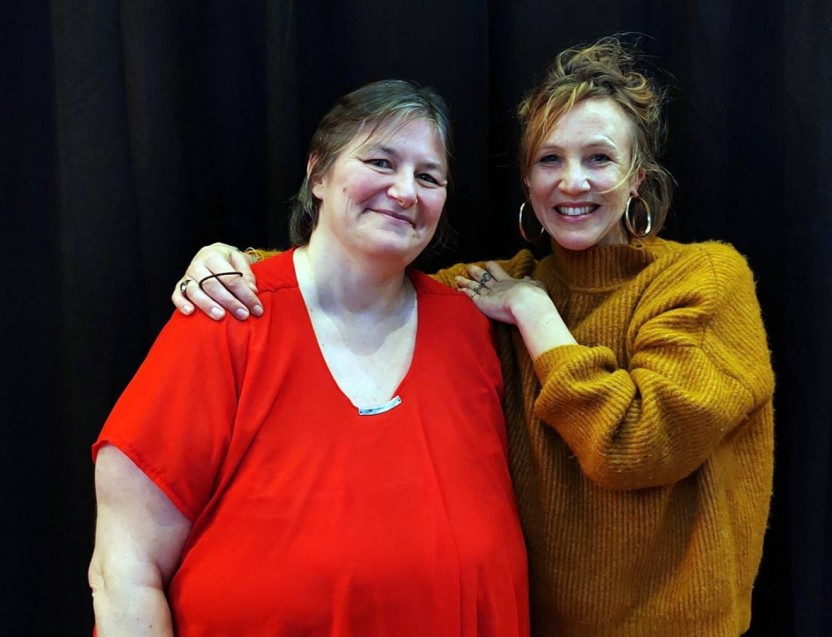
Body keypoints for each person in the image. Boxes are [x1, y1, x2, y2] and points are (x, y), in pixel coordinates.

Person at [171, 37, 775, 636]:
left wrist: (535, 313)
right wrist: (235, 265)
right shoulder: (494, 285)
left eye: (599, 159)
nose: (572, 182)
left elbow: (635, 446)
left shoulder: (703, 278)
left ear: (636, 177)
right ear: (527, 181)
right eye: (550, 160)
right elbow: (362, 281)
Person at [89, 79, 529, 636]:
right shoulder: (227, 315)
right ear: (318, 173)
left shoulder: (473, 327)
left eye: (428, 177)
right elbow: (125, 566)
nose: (404, 191)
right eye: (380, 161)